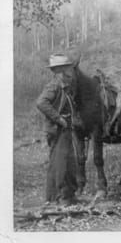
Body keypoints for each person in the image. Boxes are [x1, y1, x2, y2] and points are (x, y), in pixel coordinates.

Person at [36, 54, 80, 206]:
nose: (69, 71)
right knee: (60, 162)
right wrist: (59, 119)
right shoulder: (54, 86)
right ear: (59, 70)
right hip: (58, 129)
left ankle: (64, 195)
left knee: (67, 161)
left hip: (65, 129)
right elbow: (41, 103)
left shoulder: (64, 86)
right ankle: (61, 197)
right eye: (67, 68)